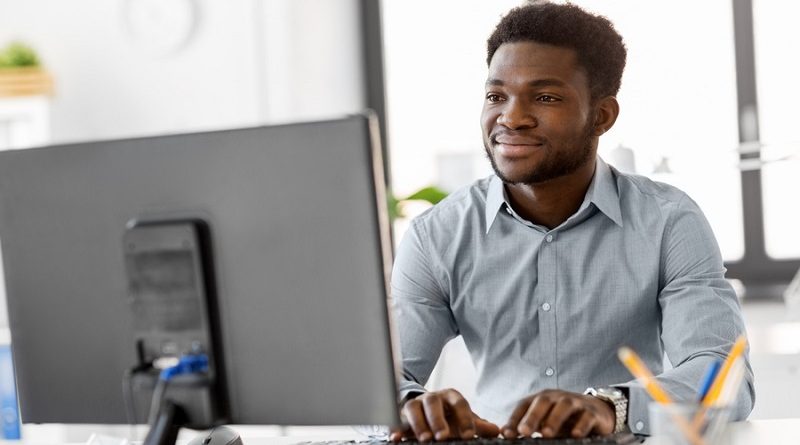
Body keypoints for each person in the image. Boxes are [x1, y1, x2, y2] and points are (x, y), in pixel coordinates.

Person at [389, 2, 754, 441]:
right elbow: (383, 381)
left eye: (545, 97)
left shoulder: (669, 222)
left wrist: (611, 407)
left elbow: (725, 379)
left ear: (602, 116)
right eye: (496, 96)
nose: (511, 118)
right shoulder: (436, 235)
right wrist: (412, 407)